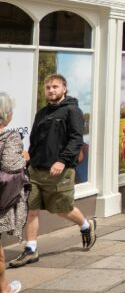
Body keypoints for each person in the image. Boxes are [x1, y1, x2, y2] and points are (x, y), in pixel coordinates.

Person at [9, 74, 96, 269]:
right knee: (31, 211)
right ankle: (31, 250)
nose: (51, 90)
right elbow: (35, 140)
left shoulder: (72, 111)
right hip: (36, 170)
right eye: (48, 87)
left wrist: (62, 161)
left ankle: (86, 225)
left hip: (59, 172)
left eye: (55, 87)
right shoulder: (42, 112)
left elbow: (76, 140)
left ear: (64, 89)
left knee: (62, 209)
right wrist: (27, 160)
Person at [0, 93, 27, 293]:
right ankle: (3, 290)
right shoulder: (9, 137)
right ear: (6, 115)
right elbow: (11, 165)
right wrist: (24, 157)